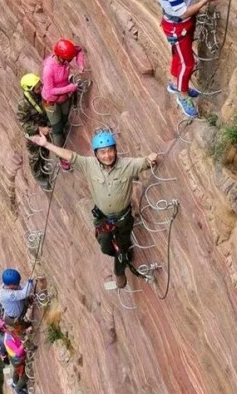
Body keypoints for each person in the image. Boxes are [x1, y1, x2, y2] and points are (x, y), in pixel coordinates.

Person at [30, 130, 158, 288]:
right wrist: (47, 145)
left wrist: (152, 158)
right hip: (103, 218)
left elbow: (145, 162)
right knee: (105, 246)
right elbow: (70, 156)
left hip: (123, 218)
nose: (107, 155)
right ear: (96, 154)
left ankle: (120, 270)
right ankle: (118, 252)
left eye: (110, 151)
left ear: (115, 150)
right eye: (102, 152)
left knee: (122, 250)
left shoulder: (127, 166)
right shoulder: (90, 165)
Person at [155, 0, 220, 119]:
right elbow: (183, 11)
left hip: (183, 24)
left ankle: (175, 83)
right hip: (178, 26)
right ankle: (182, 95)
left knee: (180, 56)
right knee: (188, 63)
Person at [41, 38, 85, 170]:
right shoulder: (49, 69)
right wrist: (70, 88)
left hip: (64, 98)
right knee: (57, 130)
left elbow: (79, 50)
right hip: (51, 101)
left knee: (64, 119)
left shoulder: (66, 56)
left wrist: (80, 65)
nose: (68, 62)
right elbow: (50, 91)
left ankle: (58, 127)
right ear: (59, 56)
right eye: (66, 60)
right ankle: (61, 157)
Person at [17, 73, 52, 191]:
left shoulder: (40, 94)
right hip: (33, 131)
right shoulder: (23, 105)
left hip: (45, 123)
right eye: (37, 88)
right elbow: (23, 123)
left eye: (40, 85)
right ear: (31, 90)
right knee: (35, 156)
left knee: (46, 150)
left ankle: (45, 164)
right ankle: (39, 177)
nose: (40, 88)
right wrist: (39, 129)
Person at [0, 320, 29, 394]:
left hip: (13, 358)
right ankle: (18, 389)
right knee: (25, 374)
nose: (11, 326)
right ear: (5, 329)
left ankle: (15, 382)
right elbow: (18, 353)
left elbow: (18, 335)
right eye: (8, 326)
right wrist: (23, 345)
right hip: (17, 359)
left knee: (17, 370)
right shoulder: (8, 340)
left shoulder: (10, 333)